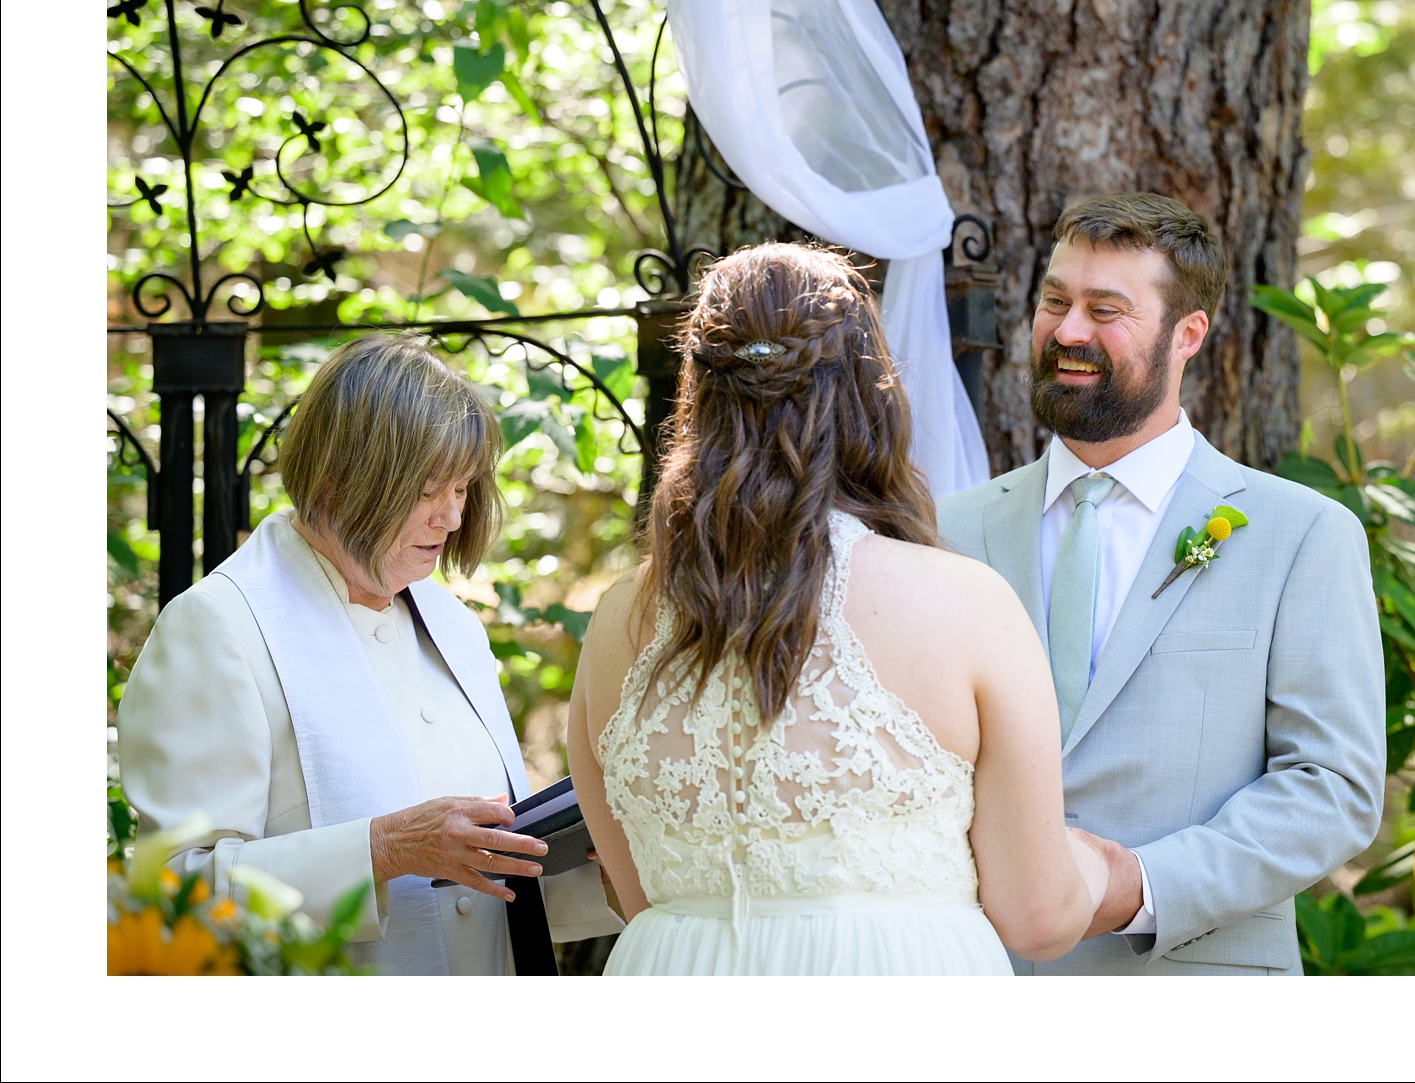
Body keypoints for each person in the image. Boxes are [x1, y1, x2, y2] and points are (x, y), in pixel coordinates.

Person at [569, 242, 1108, 975]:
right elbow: (1037, 917)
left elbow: (638, 898)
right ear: (868, 394)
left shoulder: (615, 620)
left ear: (700, 393)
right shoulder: (963, 602)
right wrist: (1100, 868)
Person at [937, 193, 1386, 975]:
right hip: (976, 978)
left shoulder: (1302, 535)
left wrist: (1137, 886)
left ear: (1188, 335)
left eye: (1105, 310)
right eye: (1055, 301)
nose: (1069, 332)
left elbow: (1333, 788)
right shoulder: (946, 534)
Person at [119, 334, 624, 974]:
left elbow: (482, 884)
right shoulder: (217, 627)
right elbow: (171, 897)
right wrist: (382, 849)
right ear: (338, 478)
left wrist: (598, 860)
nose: (449, 517)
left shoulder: (451, 623)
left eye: (463, 488)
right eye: (425, 489)